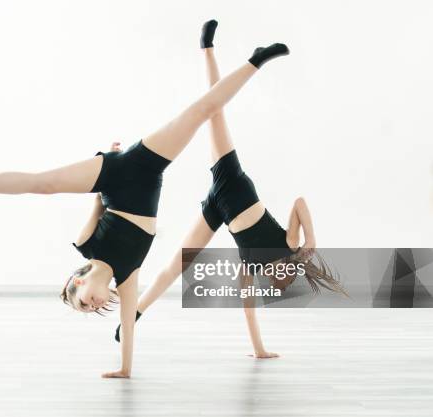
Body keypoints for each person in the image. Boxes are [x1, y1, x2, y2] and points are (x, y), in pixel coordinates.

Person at [0, 23, 290, 377]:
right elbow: (129, 324)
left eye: (83, 304)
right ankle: (245, 57)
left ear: (77, 283)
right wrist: (124, 369)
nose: (92, 307)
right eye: (90, 311)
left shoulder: (85, 245)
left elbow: (97, 203)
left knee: (44, 183)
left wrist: (106, 157)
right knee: (202, 113)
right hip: (149, 173)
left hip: (118, 172)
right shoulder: (126, 278)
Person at [113, 20, 346, 358]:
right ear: (289, 264)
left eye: (277, 279)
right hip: (232, 183)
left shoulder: (252, 268)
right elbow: (299, 202)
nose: (278, 274)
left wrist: (260, 350)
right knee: (215, 112)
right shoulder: (289, 244)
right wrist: (311, 239)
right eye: (286, 272)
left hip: (218, 206)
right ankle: (226, 52)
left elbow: (248, 310)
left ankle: (132, 316)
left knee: (175, 265)